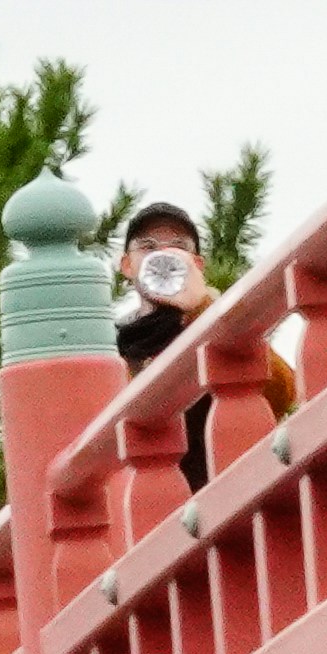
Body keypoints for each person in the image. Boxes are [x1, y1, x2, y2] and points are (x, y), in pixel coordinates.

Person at [106, 195, 296, 486]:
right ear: (127, 265)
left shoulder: (220, 324)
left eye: (178, 248)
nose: (162, 257)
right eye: (148, 247)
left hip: (224, 493)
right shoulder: (112, 345)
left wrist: (203, 310)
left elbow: (282, 393)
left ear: (196, 264)